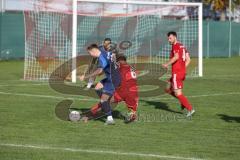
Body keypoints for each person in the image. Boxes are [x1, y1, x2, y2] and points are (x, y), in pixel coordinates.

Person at [79, 44, 121, 125]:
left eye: (89, 53)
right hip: (112, 77)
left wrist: (85, 77)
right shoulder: (107, 53)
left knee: (103, 99)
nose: (90, 55)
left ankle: (110, 119)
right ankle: (106, 102)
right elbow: (114, 58)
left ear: (93, 51)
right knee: (97, 87)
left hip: (112, 80)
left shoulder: (102, 57)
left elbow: (99, 71)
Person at [90, 54, 138, 122]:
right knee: (132, 109)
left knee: (106, 100)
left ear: (118, 61)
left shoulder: (119, 66)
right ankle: (133, 114)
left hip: (122, 91)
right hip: (134, 93)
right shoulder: (131, 67)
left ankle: (92, 112)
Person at [162, 31, 195, 117]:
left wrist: (166, 64)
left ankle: (190, 109)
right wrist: (183, 69)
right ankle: (183, 102)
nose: (169, 40)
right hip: (180, 72)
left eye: (170, 38)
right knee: (167, 88)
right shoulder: (182, 46)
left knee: (178, 93)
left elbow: (176, 57)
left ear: (175, 37)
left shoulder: (175, 46)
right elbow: (188, 59)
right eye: (168, 39)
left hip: (177, 73)